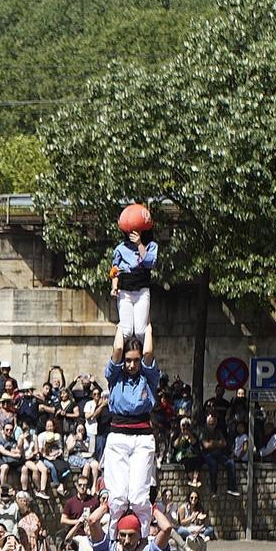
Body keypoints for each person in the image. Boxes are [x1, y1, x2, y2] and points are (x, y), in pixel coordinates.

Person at [100, 325, 160, 530]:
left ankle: (142, 538)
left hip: (142, 436)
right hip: (118, 435)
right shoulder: (115, 376)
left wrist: (147, 328)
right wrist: (122, 327)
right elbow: (117, 350)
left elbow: (149, 353)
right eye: (128, 360)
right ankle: (113, 539)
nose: (132, 364)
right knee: (117, 497)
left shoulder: (148, 377)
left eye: (136, 360)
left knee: (138, 497)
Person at [109, 203, 156, 342]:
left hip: (141, 291)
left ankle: (145, 355)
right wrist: (114, 287)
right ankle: (120, 356)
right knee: (127, 331)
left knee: (141, 331)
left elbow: (149, 263)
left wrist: (139, 244)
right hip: (125, 292)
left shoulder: (151, 246)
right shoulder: (120, 249)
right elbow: (115, 270)